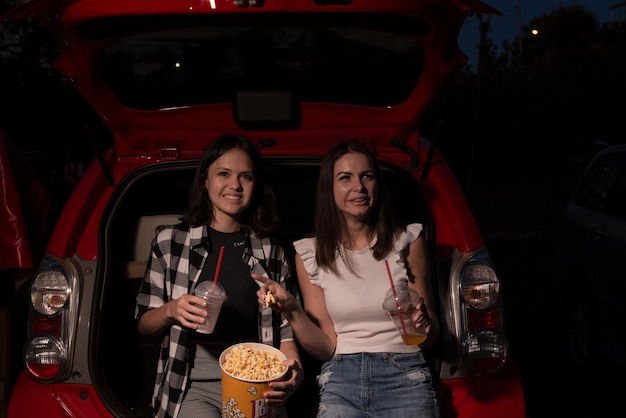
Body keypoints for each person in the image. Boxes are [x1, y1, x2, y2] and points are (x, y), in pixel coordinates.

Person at [253, 140, 440, 417]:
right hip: (341, 379)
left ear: (378, 184)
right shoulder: (311, 253)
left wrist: (423, 324)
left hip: (405, 376)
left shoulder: (407, 241)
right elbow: (325, 347)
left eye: (367, 176)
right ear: (330, 188)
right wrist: (292, 310)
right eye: (345, 178)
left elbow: (430, 337)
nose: (359, 187)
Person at [135, 133, 303, 418]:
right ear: (205, 180)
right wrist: (171, 310)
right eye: (223, 173)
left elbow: (285, 327)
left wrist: (292, 371)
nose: (234, 185)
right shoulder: (170, 242)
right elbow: (144, 325)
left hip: (257, 378)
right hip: (190, 382)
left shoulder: (270, 250)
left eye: (246, 177)